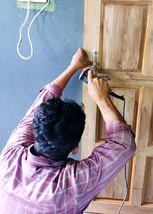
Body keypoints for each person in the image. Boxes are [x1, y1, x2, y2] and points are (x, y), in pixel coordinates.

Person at [0, 48, 136, 214]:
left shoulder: (9, 158)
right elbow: (123, 144)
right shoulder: (67, 186)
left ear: (36, 131)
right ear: (74, 149)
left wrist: (73, 67)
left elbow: (37, 108)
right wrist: (102, 98)